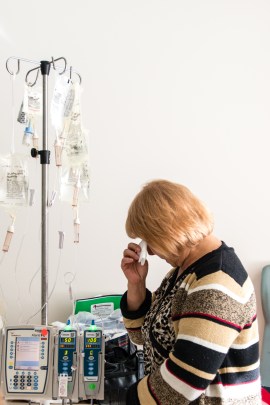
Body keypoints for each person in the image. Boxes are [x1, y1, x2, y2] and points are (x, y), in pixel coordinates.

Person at [120, 179, 261, 405]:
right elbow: (143, 337)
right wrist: (136, 283)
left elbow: (183, 383)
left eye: (149, 241)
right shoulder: (183, 272)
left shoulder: (216, 284)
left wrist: (124, 399)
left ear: (165, 231)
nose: (151, 252)